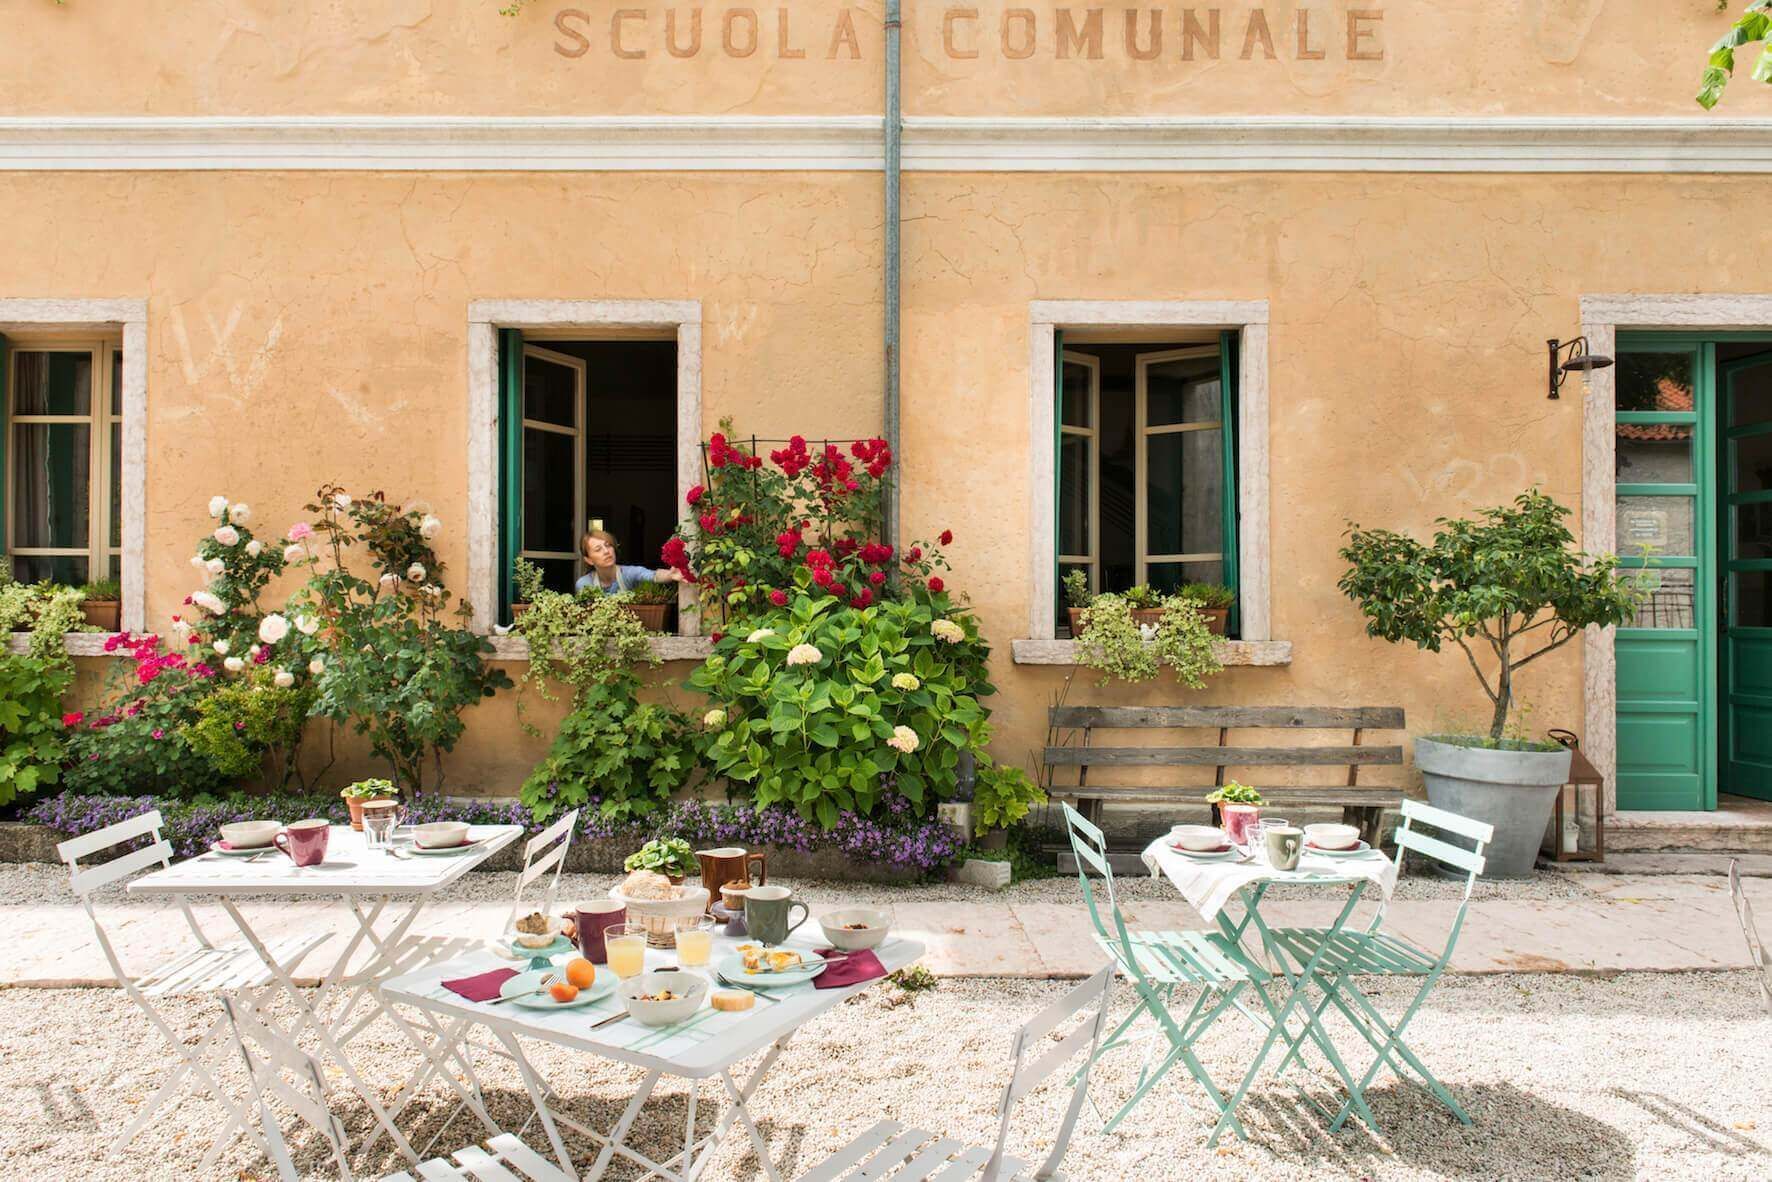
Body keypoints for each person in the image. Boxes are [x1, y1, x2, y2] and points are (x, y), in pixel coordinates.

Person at [575, 528, 684, 596]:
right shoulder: (584, 584)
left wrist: (670, 575)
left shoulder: (628, 573)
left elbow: (652, 575)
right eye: (598, 549)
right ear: (589, 560)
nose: (606, 551)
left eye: (608, 545)